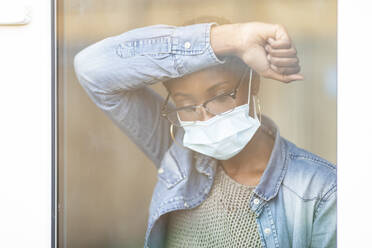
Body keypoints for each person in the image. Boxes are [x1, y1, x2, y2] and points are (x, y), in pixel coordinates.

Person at [73, 16, 336, 248]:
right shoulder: (180, 156)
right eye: (186, 104)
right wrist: (235, 38)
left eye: (220, 95)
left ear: (253, 84)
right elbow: (91, 68)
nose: (205, 118)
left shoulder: (319, 190)